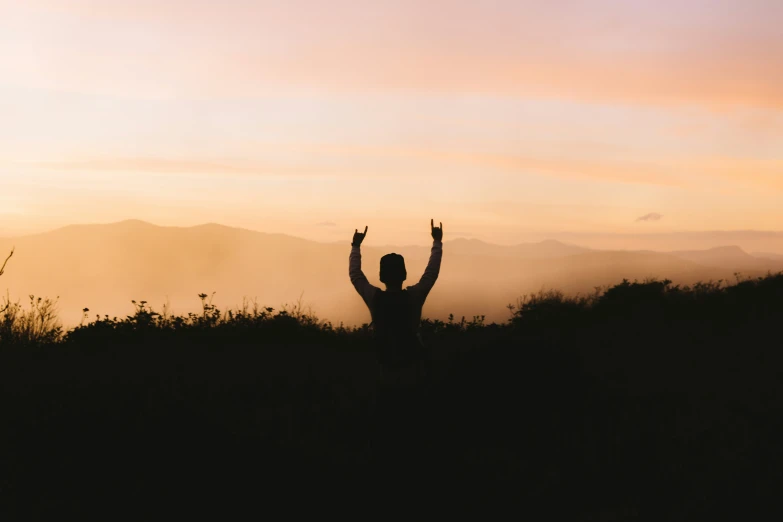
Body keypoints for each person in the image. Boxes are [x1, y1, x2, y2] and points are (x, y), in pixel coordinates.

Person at [349, 219, 443, 369]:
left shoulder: (375, 298)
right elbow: (431, 273)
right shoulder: (414, 296)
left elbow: (355, 275)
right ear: (404, 274)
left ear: (381, 276)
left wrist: (356, 246)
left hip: (384, 368)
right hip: (412, 368)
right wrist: (437, 242)